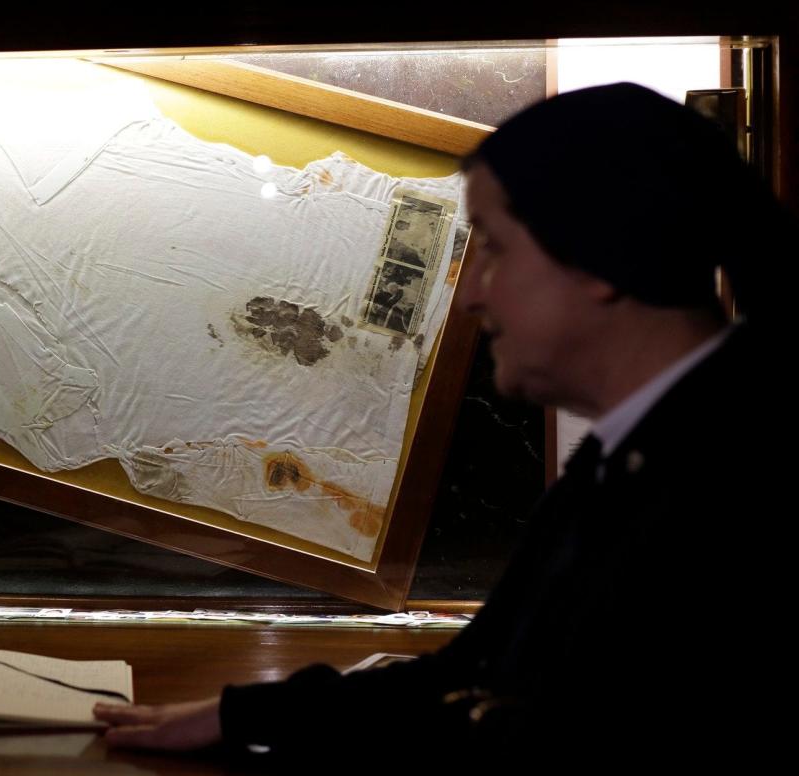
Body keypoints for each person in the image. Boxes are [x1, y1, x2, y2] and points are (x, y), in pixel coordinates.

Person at [93, 83, 788, 761]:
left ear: (598, 257)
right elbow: (473, 670)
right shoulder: (645, 454)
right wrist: (239, 714)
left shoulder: (733, 487)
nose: (469, 298)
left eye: (494, 246)